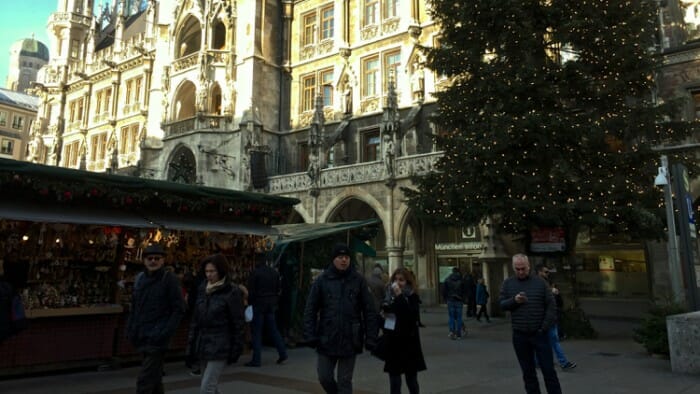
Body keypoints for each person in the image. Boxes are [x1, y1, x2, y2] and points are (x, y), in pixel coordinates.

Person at [303, 242, 379, 394]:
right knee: (324, 377)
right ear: (333, 259)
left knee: (344, 381)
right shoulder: (322, 280)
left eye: (346, 257)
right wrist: (310, 334)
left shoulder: (358, 281)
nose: (344, 260)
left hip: (350, 339)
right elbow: (310, 309)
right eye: (340, 257)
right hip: (327, 338)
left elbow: (369, 310)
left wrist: (371, 337)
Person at [127, 244, 186, 394]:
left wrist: (165, 332)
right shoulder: (140, 279)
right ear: (144, 260)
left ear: (163, 260)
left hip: (158, 337)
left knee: (145, 381)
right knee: (154, 379)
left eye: (157, 258)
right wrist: (131, 328)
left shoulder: (169, 279)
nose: (153, 261)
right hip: (142, 334)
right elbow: (135, 306)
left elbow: (178, 309)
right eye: (149, 258)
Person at [499, 254, 561, 394]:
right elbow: (502, 305)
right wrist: (514, 301)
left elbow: (551, 306)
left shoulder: (540, 283)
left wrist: (544, 327)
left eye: (523, 269)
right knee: (528, 373)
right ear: (513, 268)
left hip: (540, 333)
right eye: (517, 269)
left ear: (529, 266)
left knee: (548, 371)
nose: (520, 272)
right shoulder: (508, 283)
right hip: (520, 335)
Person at [187, 254, 245, 394]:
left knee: (206, 388)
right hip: (203, 343)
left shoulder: (232, 292)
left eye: (212, 271)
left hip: (220, 344)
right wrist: (191, 342)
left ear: (221, 270)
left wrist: (237, 348)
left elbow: (238, 322)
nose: (209, 275)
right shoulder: (202, 289)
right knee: (210, 385)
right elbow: (196, 318)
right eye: (207, 271)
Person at [381, 267, 426, 394]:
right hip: (393, 344)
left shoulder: (412, 297)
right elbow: (388, 321)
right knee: (394, 383)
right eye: (395, 279)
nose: (397, 282)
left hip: (409, 345)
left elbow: (410, 317)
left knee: (411, 382)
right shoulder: (389, 296)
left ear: (407, 282)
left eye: (401, 280)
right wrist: (383, 315)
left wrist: (400, 296)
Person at [245, 255, 288, 367]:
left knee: (256, 332)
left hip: (259, 303)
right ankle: (282, 353)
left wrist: (249, 303)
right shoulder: (274, 273)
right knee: (273, 330)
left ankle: (256, 359)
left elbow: (251, 291)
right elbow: (278, 289)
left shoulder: (255, 273)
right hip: (271, 304)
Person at [535, 264, 576, 371]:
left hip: (549, 318)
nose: (548, 274)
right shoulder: (540, 283)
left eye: (548, 272)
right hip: (546, 318)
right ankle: (563, 362)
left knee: (548, 341)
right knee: (551, 341)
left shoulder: (545, 283)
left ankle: (540, 361)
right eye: (546, 272)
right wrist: (551, 292)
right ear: (539, 272)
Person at [442, 267, 465, 339]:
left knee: (451, 317)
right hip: (459, 300)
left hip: (450, 299)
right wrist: (463, 298)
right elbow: (465, 290)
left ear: (452, 271)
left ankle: (452, 331)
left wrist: (445, 298)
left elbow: (444, 290)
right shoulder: (461, 280)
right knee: (459, 317)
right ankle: (458, 334)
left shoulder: (447, 279)